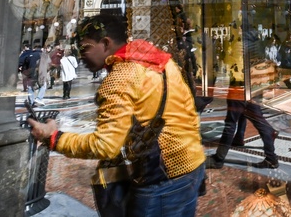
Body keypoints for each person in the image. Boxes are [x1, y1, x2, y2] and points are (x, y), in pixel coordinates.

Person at [27, 14, 206, 217]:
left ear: (105, 43)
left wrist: (54, 137)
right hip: (192, 164)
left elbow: (105, 145)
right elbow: (188, 110)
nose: (81, 56)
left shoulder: (120, 77)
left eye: (85, 48)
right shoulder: (162, 62)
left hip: (161, 179)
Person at [206, 86, 279, 169]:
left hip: (238, 89)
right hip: (253, 90)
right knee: (257, 121)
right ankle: (271, 157)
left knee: (230, 125)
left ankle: (218, 159)